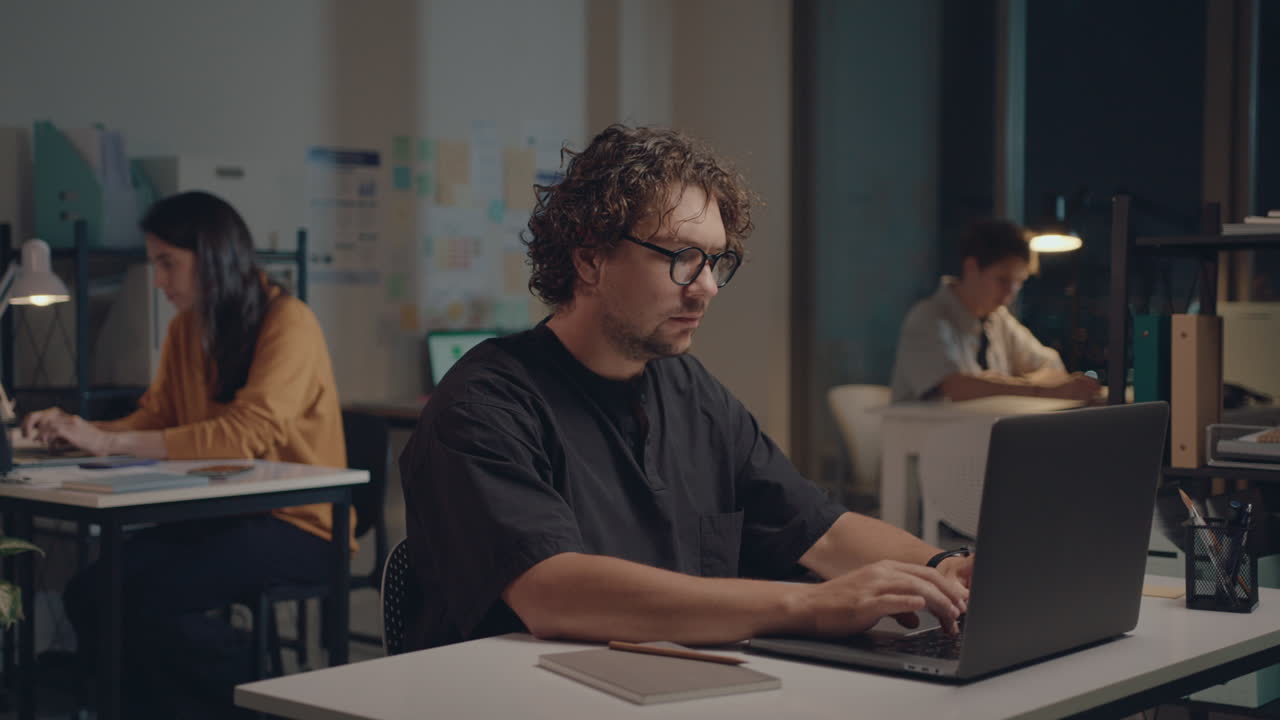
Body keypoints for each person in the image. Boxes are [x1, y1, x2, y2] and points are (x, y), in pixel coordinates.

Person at [398, 125, 972, 654]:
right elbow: (552, 591)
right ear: (591, 259)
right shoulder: (485, 403)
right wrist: (813, 605)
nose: (706, 289)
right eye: (681, 258)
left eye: (717, 261)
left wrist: (944, 566)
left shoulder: (690, 390)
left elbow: (818, 530)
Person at [22, 191, 347, 718]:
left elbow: (246, 433)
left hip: (299, 524)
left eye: (167, 263)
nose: (158, 280)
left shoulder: (289, 321)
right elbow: (156, 418)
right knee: (88, 593)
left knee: (150, 602)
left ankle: (248, 681)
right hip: (220, 515)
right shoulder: (184, 330)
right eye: (155, 263)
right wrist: (82, 430)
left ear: (213, 254)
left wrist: (109, 441)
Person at [889, 218, 1102, 403]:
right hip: (921, 442)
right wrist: (1038, 388)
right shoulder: (928, 317)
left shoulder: (997, 320)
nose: (1011, 292)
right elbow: (955, 387)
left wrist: (1005, 383)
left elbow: (1051, 364)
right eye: (1003, 279)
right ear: (971, 267)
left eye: (1019, 282)